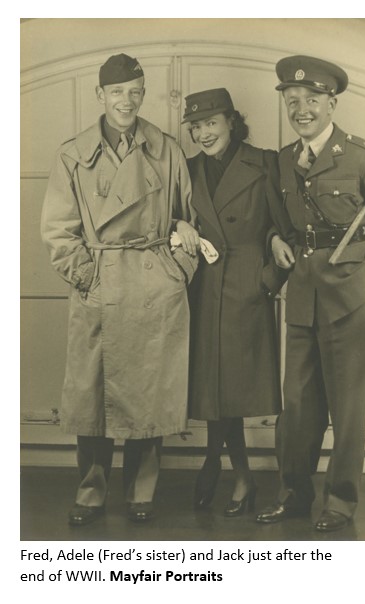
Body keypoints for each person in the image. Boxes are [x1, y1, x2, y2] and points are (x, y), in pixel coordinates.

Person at [41, 53, 199, 525]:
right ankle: (91, 491)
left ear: (143, 94)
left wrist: (180, 269)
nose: (126, 101)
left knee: (148, 394)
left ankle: (142, 491)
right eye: (116, 92)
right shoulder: (73, 153)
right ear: (100, 96)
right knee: (91, 396)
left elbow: (189, 216)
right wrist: (89, 278)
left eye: (134, 91)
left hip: (155, 284)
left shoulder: (166, 148)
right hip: (100, 284)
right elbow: (57, 231)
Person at [256, 56, 365, 531]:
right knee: (297, 406)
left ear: (331, 103)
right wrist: (274, 241)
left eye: (312, 100)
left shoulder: (363, 158)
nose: (302, 109)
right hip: (303, 295)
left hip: (351, 298)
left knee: (347, 406)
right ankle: (294, 495)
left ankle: (340, 502)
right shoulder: (283, 160)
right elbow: (281, 226)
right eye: (292, 101)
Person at [181, 88, 292, 516]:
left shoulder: (264, 163)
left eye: (212, 123)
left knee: (233, 387)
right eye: (196, 126)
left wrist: (267, 279)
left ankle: (232, 469)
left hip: (246, 287)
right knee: (212, 387)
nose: (204, 133)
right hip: (203, 288)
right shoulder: (187, 169)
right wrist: (177, 221)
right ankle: (226, 466)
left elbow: (285, 227)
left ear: (231, 121)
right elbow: (173, 214)